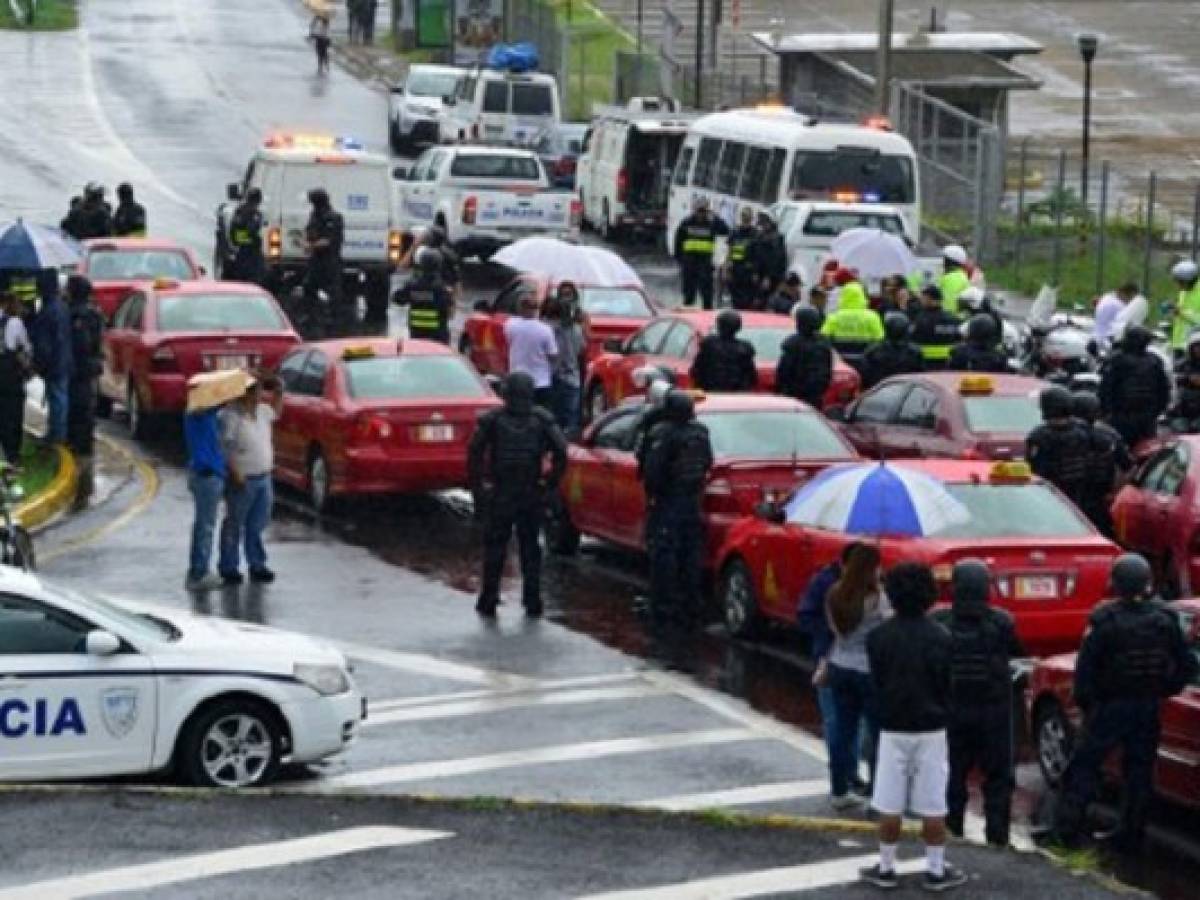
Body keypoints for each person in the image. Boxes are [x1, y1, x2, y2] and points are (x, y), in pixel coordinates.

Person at [1052, 554, 1198, 850]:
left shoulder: (1105, 620)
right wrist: (1163, 690)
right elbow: (1184, 665)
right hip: (1147, 706)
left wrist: (1088, 704)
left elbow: (1086, 668)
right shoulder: (1165, 619)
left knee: (1085, 765)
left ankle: (1067, 831)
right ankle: (1132, 833)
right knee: (1139, 771)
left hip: (1110, 706)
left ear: (1116, 584)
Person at [862, 562, 966, 893]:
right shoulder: (942, 637)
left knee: (889, 801)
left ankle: (887, 866)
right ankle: (935, 870)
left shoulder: (878, 637)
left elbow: (877, 681)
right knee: (934, 804)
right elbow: (947, 685)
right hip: (932, 728)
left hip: (892, 727)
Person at [931, 560, 1025, 847]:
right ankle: (997, 837)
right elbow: (1017, 654)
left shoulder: (941, 622)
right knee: (997, 778)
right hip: (993, 712)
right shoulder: (1002, 622)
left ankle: (951, 831)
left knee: (952, 774)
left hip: (953, 710)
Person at [468, 372, 567, 617]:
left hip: (502, 490)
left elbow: (474, 453)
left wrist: (479, 488)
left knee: (495, 546)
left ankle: (489, 597)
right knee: (530, 547)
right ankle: (532, 600)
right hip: (530, 490)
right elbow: (562, 452)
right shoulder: (541, 419)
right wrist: (549, 484)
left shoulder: (493, 419)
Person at [639, 389, 713, 644]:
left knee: (664, 555)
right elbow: (707, 463)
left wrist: (653, 495)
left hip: (669, 501)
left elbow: (652, 472)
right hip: (692, 502)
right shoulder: (701, 433)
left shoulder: (663, 434)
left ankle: (664, 607)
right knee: (689, 554)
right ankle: (690, 604)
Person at [798, 545, 868, 796]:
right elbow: (805, 616)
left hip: (858, 663)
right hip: (832, 658)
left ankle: (851, 773)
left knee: (856, 723)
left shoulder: (870, 586)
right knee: (836, 722)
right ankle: (842, 777)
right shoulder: (825, 582)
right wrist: (833, 631)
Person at [825, 543, 888, 810]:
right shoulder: (876, 599)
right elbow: (887, 626)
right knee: (877, 735)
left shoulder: (835, 594)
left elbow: (835, 632)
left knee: (843, 730)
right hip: (868, 670)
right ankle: (877, 793)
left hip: (839, 665)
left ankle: (839, 789)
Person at [219, 374, 282, 586]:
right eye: (254, 390)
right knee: (235, 523)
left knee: (257, 524)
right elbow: (225, 447)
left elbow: (278, 412)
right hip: (243, 477)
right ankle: (229, 566)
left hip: (263, 476)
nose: (258, 394)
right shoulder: (231, 416)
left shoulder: (263, 412)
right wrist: (234, 471)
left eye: (259, 390)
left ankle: (257, 563)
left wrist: (279, 391)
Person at [183, 385, 229, 591]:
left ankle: (199, 569)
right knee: (206, 525)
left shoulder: (208, 416)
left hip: (208, 474)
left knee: (205, 524)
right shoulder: (197, 414)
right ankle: (199, 572)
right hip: (206, 475)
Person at [1098, 325, 1170, 447]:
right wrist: (1158, 411)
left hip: (1123, 414)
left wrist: (1107, 411)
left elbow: (1106, 388)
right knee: (1146, 448)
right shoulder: (1154, 361)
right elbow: (1164, 390)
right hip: (1145, 415)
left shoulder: (1117, 359)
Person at [1072, 390, 1132, 536]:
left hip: (1077, 494)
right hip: (1098, 496)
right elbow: (1128, 467)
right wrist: (1115, 492)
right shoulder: (1110, 434)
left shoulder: (1062, 434)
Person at [1026, 386, 1092, 508]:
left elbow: (1032, 467)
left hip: (1047, 494)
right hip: (1077, 493)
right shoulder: (1082, 432)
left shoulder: (1039, 436)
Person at [31, 270, 73, 446]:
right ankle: (57, 432)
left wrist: (40, 363)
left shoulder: (49, 310)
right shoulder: (61, 307)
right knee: (58, 396)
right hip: (63, 359)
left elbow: (45, 342)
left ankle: (57, 435)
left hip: (55, 362)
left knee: (57, 397)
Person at [65, 276, 104, 457]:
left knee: (78, 405)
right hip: (89, 366)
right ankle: (83, 441)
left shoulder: (74, 315)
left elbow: (82, 343)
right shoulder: (94, 314)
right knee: (86, 404)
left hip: (79, 366)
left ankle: (77, 442)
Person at [504, 293, 558, 409]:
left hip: (517, 379)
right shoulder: (545, 330)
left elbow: (508, 341)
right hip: (540, 382)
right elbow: (553, 355)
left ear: (520, 308)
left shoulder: (510, 325)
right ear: (536, 309)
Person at [819, 275, 883, 371]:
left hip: (840, 364)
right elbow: (880, 339)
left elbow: (823, 338)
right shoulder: (872, 317)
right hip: (866, 363)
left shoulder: (834, 317)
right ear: (862, 296)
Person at [673, 197, 728, 310]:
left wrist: (716, 218)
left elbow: (726, 230)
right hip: (689, 264)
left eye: (703, 211)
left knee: (707, 296)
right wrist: (680, 261)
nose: (701, 214)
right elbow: (678, 243)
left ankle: (707, 319)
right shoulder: (686, 223)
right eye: (699, 211)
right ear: (695, 210)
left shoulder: (712, 223)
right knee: (688, 296)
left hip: (705, 264)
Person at [543, 289, 584, 435]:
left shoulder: (549, 329)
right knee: (569, 418)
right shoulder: (577, 330)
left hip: (554, 376)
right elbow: (580, 350)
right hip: (571, 378)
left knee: (554, 416)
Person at [303, 188, 345, 328]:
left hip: (329, 260)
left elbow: (329, 240)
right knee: (309, 287)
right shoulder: (314, 215)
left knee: (333, 290)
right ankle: (311, 315)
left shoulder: (333, 217)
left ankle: (335, 318)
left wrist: (312, 245)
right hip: (316, 260)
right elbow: (310, 231)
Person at [775, 307, 833, 409]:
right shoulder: (823, 343)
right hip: (815, 395)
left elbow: (784, 371)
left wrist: (783, 389)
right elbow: (827, 370)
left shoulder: (793, 344)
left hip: (795, 394)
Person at [0, 291, 33, 464]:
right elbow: (25, 347)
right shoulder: (15, 323)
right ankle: (12, 454)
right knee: (13, 413)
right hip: (9, 375)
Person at [394, 247, 452, 344]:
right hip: (437, 336)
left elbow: (397, 299)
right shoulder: (441, 288)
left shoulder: (412, 285)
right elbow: (449, 311)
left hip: (417, 334)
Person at [690, 309, 757, 392]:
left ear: (719, 325)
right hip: (736, 395)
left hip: (711, 393)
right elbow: (751, 376)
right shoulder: (744, 348)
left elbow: (696, 370)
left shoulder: (709, 345)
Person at [861, 312, 924, 389]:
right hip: (906, 393)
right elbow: (921, 377)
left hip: (880, 391)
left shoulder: (873, 350)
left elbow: (865, 376)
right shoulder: (914, 352)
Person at [911, 285, 962, 370]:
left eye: (923, 297)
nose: (921, 300)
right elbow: (959, 338)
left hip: (926, 363)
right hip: (948, 362)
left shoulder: (921, 319)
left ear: (930, 298)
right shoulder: (952, 318)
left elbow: (913, 338)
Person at [226, 187, 266, 284]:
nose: (254, 205)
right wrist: (251, 239)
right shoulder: (240, 213)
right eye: (252, 201)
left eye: (256, 202)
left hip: (255, 255)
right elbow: (235, 236)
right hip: (244, 253)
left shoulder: (258, 214)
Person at [724, 207, 758, 310]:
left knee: (747, 302)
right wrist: (726, 269)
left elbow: (758, 255)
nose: (745, 218)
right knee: (735, 301)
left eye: (747, 216)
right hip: (735, 270)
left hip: (748, 271)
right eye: (743, 216)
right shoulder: (734, 232)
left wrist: (755, 272)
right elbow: (729, 251)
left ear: (751, 218)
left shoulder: (755, 234)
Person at [750, 211, 788, 303]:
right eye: (761, 223)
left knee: (766, 301)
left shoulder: (776, 238)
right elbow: (756, 256)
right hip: (759, 275)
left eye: (764, 222)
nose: (762, 226)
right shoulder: (760, 236)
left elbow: (775, 260)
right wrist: (755, 272)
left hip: (770, 277)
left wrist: (768, 277)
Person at [1166, 259, 1200, 360]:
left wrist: (1180, 312)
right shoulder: (1184, 291)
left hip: (1194, 345)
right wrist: (1174, 309)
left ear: (1189, 280)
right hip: (1178, 343)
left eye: (1180, 282)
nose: (1178, 285)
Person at [1094, 282, 1139, 351]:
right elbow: (1130, 326)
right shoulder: (1119, 306)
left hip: (1097, 337)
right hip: (1108, 343)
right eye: (1131, 298)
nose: (1130, 301)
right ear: (1123, 293)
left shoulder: (1107, 296)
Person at [938, 244, 972, 315]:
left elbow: (949, 305)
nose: (942, 262)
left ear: (949, 261)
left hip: (951, 320)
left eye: (944, 259)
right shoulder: (957, 275)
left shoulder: (953, 278)